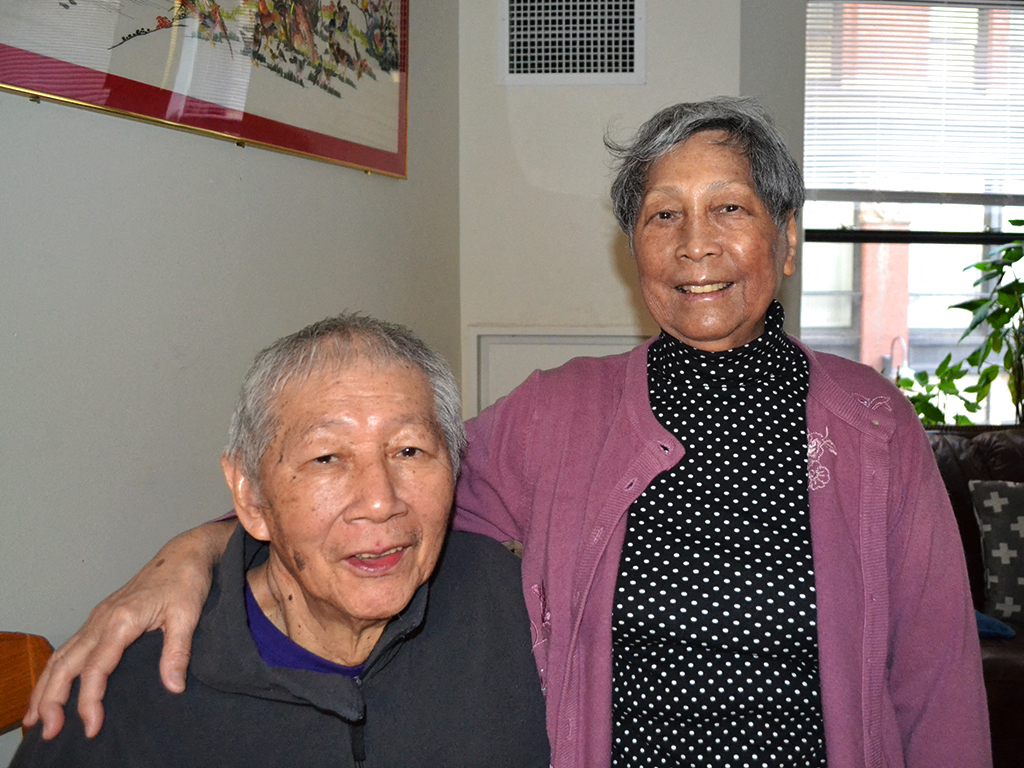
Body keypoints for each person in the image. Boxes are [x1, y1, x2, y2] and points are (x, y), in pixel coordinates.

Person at [26, 98, 990, 767]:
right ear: (634, 250)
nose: (695, 245)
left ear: (783, 236)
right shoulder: (555, 412)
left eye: (729, 209)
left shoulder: (871, 420)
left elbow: (939, 681)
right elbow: (388, 493)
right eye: (662, 216)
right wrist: (195, 551)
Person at [13, 314, 549, 768]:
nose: (381, 500)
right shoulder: (121, 696)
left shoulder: (521, 612)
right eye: (326, 458)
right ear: (250, 497)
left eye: (409, 451)